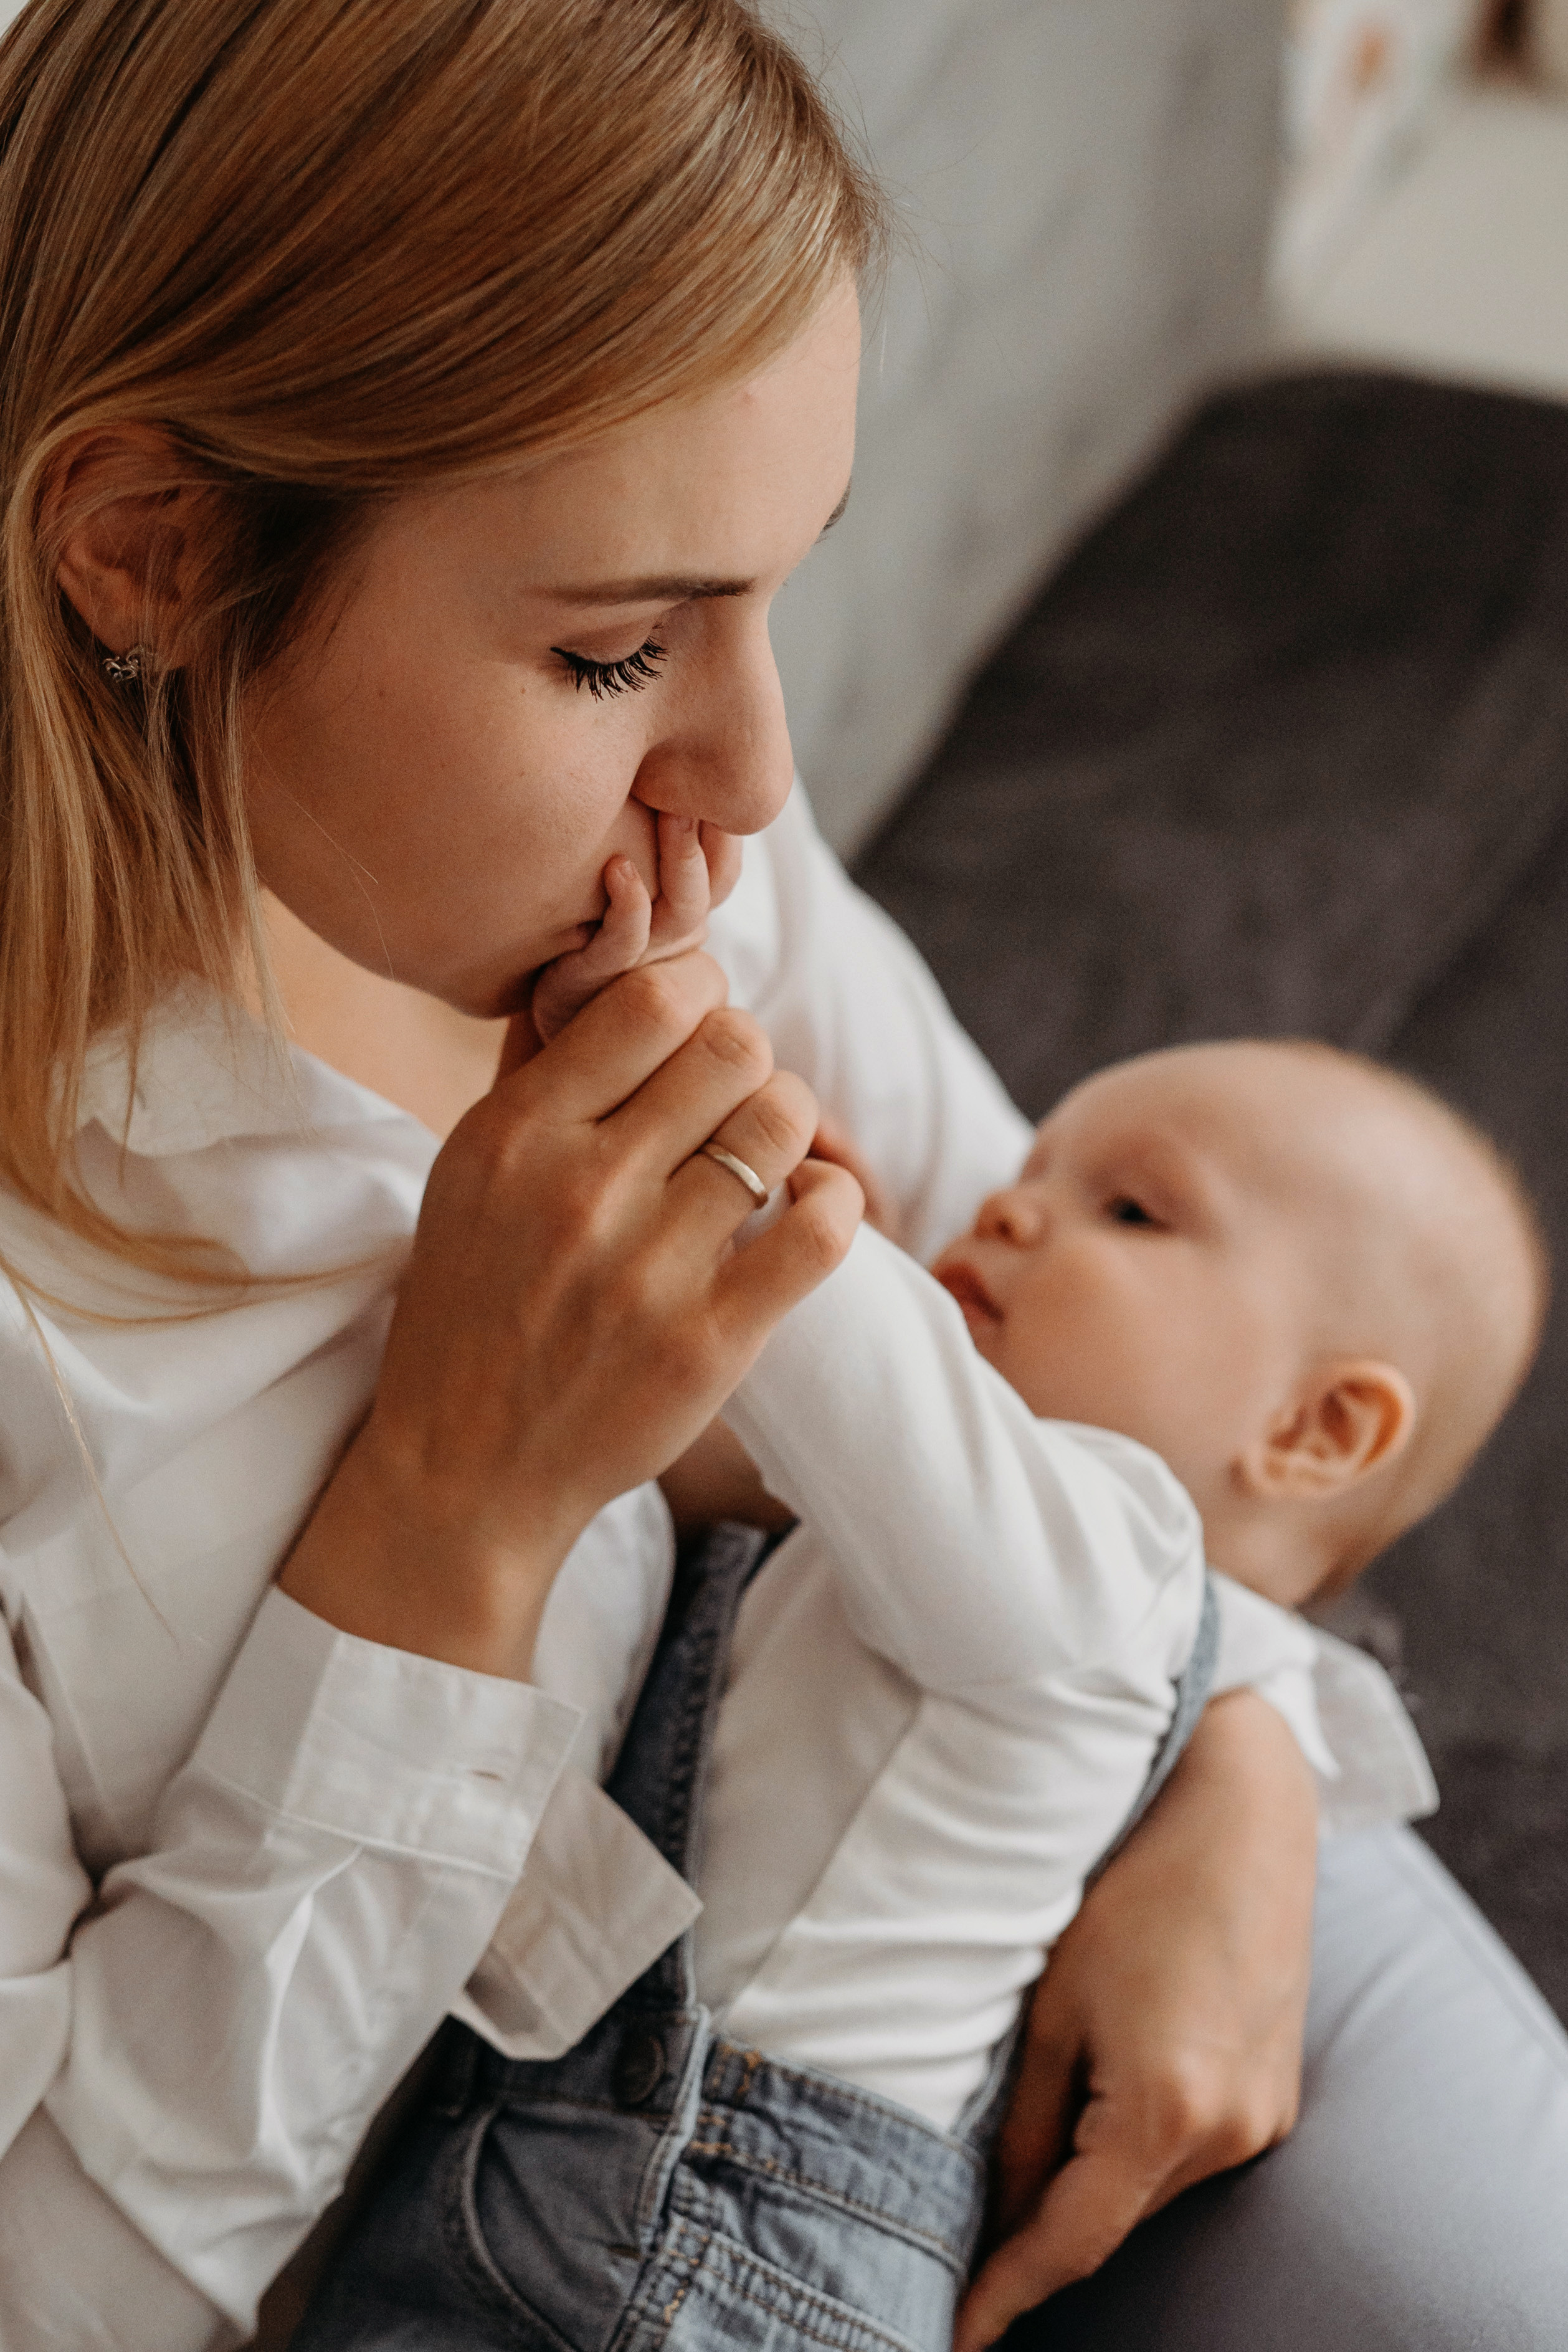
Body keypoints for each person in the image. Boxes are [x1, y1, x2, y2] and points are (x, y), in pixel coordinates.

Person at [0, 4, 1564, 2350]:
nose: (748, 774)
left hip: (965, 1807)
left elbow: (1041, 1328)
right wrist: (449, 1519)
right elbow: (66, 2282)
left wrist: (1235, 1741)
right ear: (152, 554)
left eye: (771, 590)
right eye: (622, 646)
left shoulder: (680, 853)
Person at [292, 884, 1539, 2349]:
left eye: (1125, 1207)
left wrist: (686, 1106)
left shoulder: (1102, 1573)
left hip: (725, 2247)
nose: (1009, 1203)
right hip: (619, 2204)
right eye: (1038, 1166)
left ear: (1315, 1431)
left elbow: (810, 1339)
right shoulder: (974, 1570)